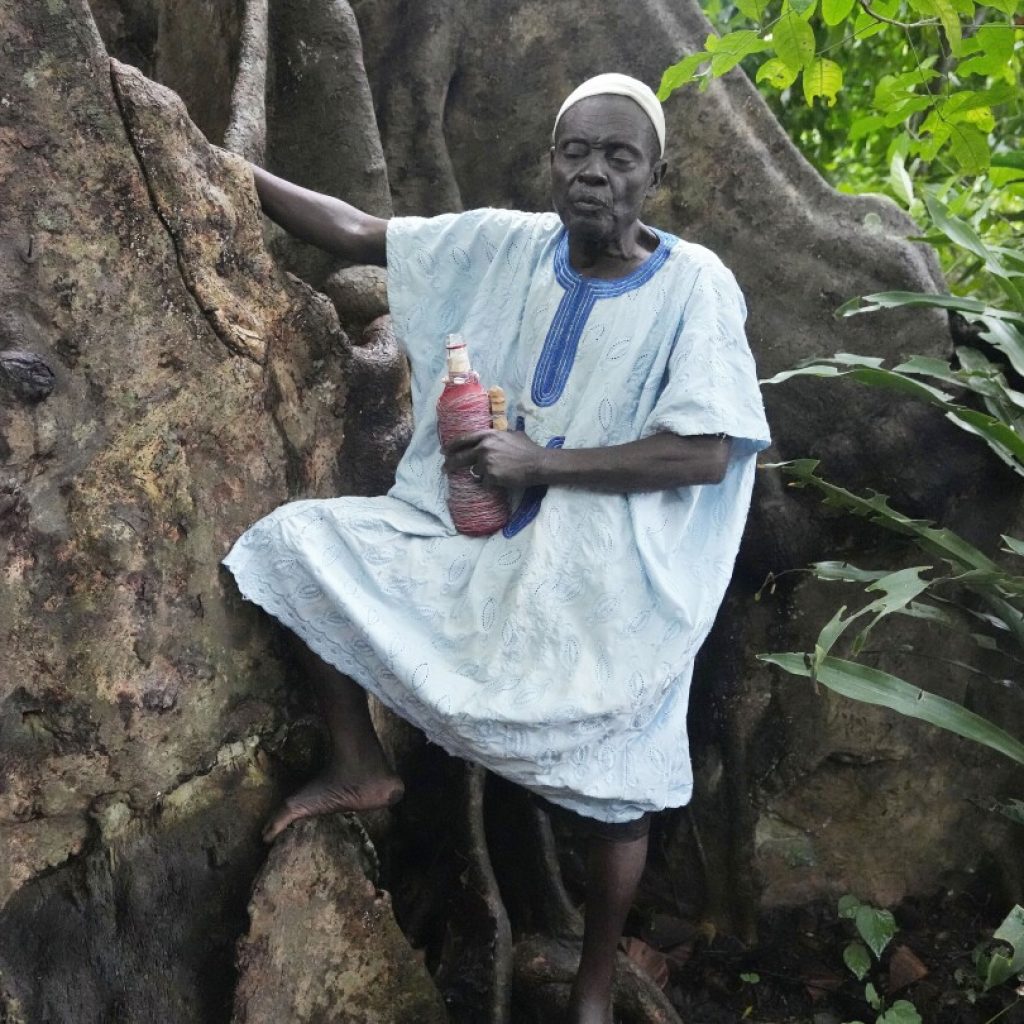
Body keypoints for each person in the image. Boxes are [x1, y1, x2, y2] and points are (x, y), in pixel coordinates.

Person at [223, 73, 770, 1024]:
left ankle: (595, 990)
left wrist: (545, 464)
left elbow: (710, 448)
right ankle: (361, 764)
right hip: (471, 533)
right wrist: (217, 160)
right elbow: (358, 234)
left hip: (611, 569)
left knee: (620, 783)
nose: (594, 173)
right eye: (577, 152)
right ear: (552, 160)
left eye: (618, 157)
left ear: (656, 174)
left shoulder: (696, 285)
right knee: (296, 546)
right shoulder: (509, 245)